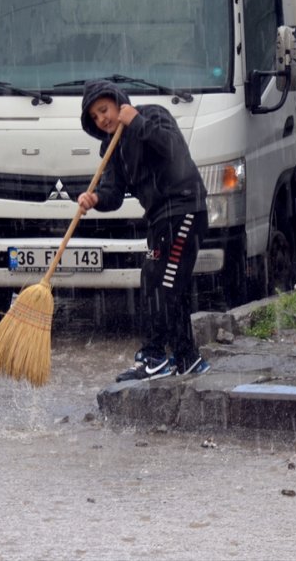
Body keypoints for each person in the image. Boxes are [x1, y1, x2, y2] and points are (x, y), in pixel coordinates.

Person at [77, 79, 211, 382]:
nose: (103, 119)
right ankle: (187, 358)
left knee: (159, 281)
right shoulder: (111, 148)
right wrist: (95, 198)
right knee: (164, 282)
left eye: (104, 110)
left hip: (185, 208)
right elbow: (112, 194)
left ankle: (153, 356)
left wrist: (136, 122)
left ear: (117, 101)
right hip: (159, 219)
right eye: (96, 117)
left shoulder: (152, 115)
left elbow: (172, 149)